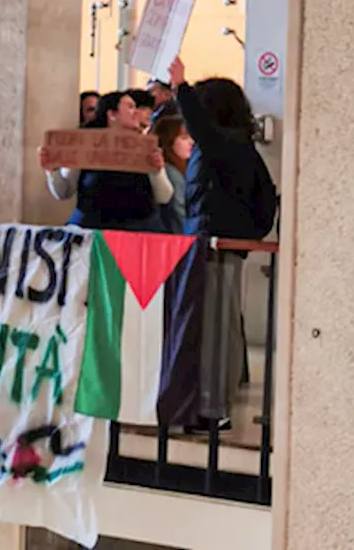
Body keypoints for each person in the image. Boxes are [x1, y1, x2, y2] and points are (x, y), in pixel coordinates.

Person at [169, 56, 277, 432]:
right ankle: (214, 404)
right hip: (216, 242)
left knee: (215, 327)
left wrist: (180, 86)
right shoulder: (235, 145)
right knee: (220, 324)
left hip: (217, 244)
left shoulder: (224, 144)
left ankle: (214, 409)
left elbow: (200, 127)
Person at [39, 91, 173, 231]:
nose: (137, 112)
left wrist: (157, 171)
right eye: (130, 107)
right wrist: (52, 171)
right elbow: (64, 192)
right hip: (93, 235)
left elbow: (165, 197)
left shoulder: (145, 147)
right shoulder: (84, 145)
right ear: (112, 114)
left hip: (137, 234)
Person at [153, 115, 193, 233]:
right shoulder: (171, 173)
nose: (191, 142)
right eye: (184, 138)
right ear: (169, 141)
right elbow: (179, 211)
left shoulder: (183, 169)